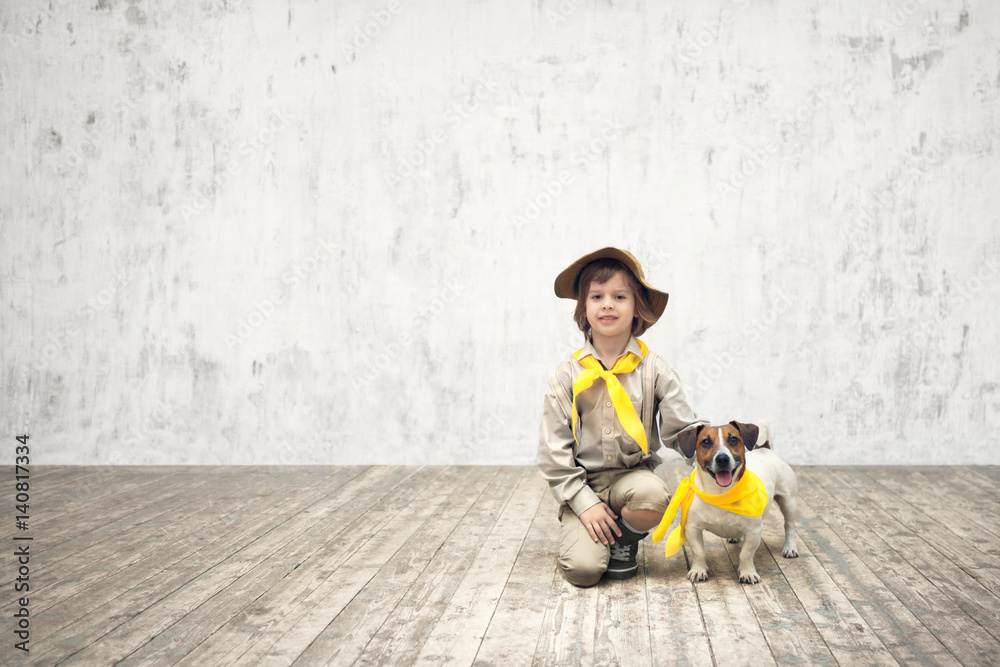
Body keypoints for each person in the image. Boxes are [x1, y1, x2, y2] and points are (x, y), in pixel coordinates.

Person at [537, 247, 708, 586]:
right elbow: (552, 451)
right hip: (582, 484)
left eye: (619, 296)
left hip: (633, 479)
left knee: (655, 497)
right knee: (584, 572)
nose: (608, 304)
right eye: (597, 296)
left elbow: (683, 430)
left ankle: (624, 541)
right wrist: (584, 503)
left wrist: (718, 456)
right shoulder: (566, 375)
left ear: (637, 308)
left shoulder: (655, 369)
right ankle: (592, 524)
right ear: (584, 309)